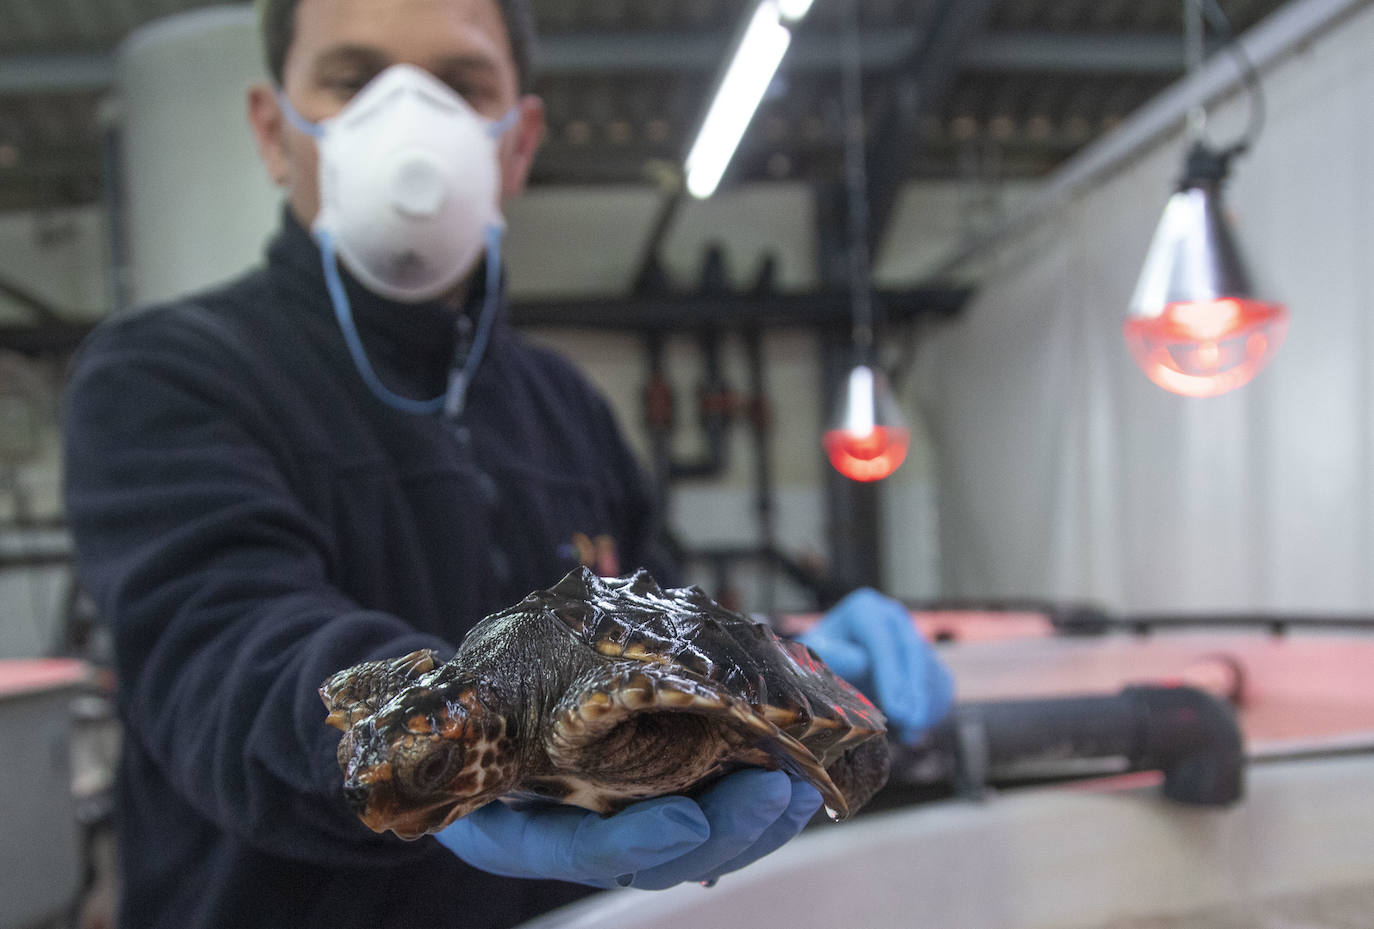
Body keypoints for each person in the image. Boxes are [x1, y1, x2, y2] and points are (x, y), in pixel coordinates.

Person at [60, 1, 954, 927]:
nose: (407, 115)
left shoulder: (568, 407)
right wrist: (447, 723)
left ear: (517, 141)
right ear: (274, 131)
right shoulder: (162, 375)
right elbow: (229, 648)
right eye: (354, 78)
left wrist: (790, 658)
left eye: (459, 83)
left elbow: (671, 627)